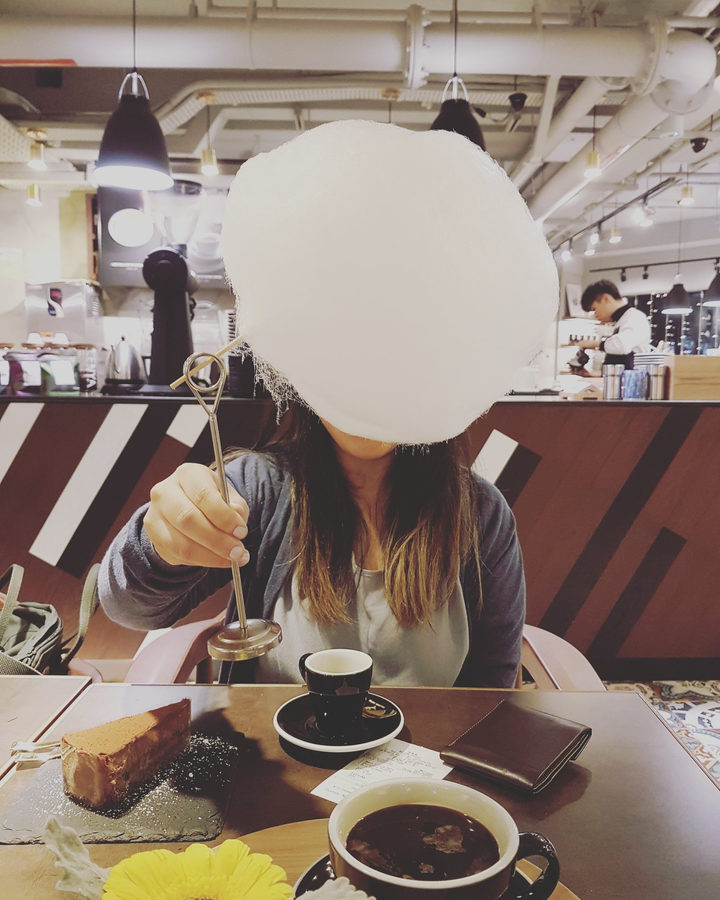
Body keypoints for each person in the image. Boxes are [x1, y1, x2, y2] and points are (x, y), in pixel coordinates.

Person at [99, 405, 526, 688]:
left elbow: (492, 690)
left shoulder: (480, 514)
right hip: (277, 771)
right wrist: (160, 545)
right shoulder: (260, 488)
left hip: (424, 779)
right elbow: (128, 606)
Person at [577, 279, 652, 369]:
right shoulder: (622, 320)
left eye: (594, 309)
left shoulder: (636, 317)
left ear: (605, 299)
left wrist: (594, 344)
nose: (595, 316)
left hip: (633, 377)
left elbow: (622, 345)